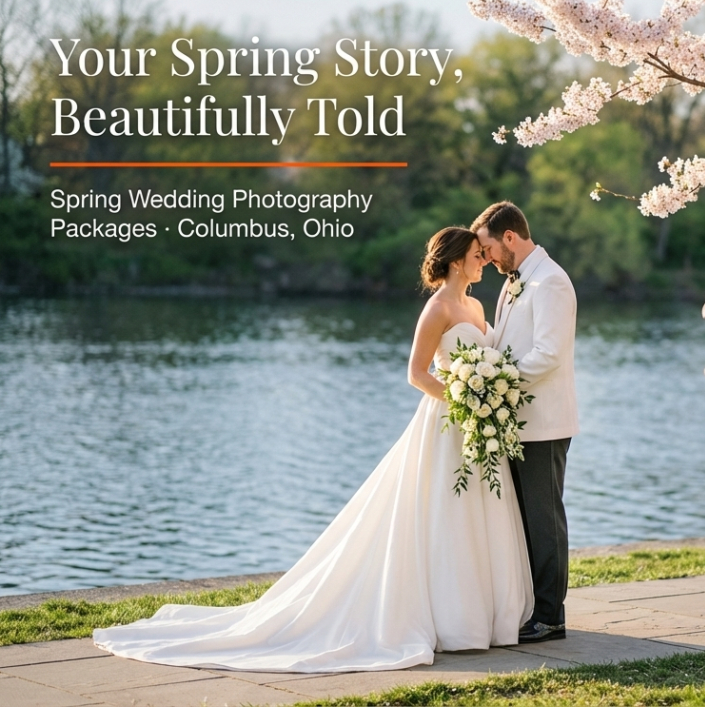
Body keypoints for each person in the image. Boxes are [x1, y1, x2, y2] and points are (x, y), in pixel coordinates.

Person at [91, 227, 534, 672]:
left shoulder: (476, 305)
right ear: (458, 261)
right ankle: (451, 623)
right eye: (478, 254)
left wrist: (489, 396)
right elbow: (417, 374)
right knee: (443, 516)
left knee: (478, 513)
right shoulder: (436, 309)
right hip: (445, 422)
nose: (484, 260)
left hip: (478, 427)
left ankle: (483, 620)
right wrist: (464, 398)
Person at [471, 201, 578, 644]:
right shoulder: (513, 283)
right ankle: (532, 607)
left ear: (510, 237)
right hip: (516, 421)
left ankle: (551, 616)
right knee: (523, 520)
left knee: (544, 517)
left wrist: (495, 379)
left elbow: (548, 355)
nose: (489, 258)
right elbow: (504, 342)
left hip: (544, 423)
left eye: (489, 248)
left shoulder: (551, 281)